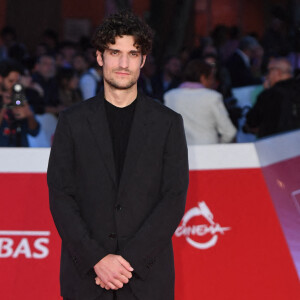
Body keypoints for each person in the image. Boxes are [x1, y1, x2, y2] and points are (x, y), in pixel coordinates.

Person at [47, 11, 189, 300]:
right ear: (100, 57)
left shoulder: (168, 123)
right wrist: (98, 259)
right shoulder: (72, 121)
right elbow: (60, 195)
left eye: (132, 54)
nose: (123, 63)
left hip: (147, 280)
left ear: (143, 60)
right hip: (86, 279)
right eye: (115, 52)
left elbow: (173, 198)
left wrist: (127, 263)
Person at [164, 59, 236, 145]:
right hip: (207, 153)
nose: (213, 82)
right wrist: (219, 145)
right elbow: (229, 132)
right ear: (203, 78)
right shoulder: (212, 97)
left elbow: (164, 130)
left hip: (179, 153)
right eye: (212, 78)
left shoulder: (169, 96)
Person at [245, 57, 300, 138]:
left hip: (276, 145)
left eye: (268, 71)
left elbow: (252, 122)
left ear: (277, 72)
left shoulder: (269, 95)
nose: (266, 76)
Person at [0, 59, 40, 146]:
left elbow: (34, 131)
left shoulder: (20, 97)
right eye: (10, 81)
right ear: (1, 79)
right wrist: (3, 107)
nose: (14, 85)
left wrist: (29, 115)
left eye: (17, 81)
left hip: (21, 154)